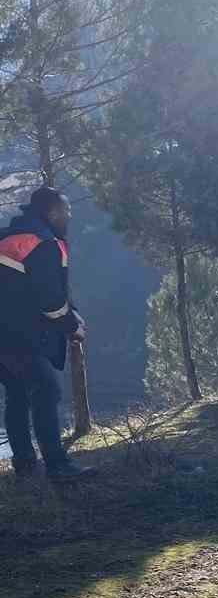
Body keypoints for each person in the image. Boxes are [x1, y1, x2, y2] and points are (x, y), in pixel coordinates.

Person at [0, 185, 95, 480]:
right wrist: (72, 327)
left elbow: (45, 286)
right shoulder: (43, 242)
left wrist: (72, 310)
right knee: (46, 389)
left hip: (5, 332)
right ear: (52, 212)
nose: (69, 216)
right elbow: (50, 299)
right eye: (66, 211)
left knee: (16, 394)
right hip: (21, 335)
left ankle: (25, 464)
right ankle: (58, 466)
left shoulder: (9, 236)